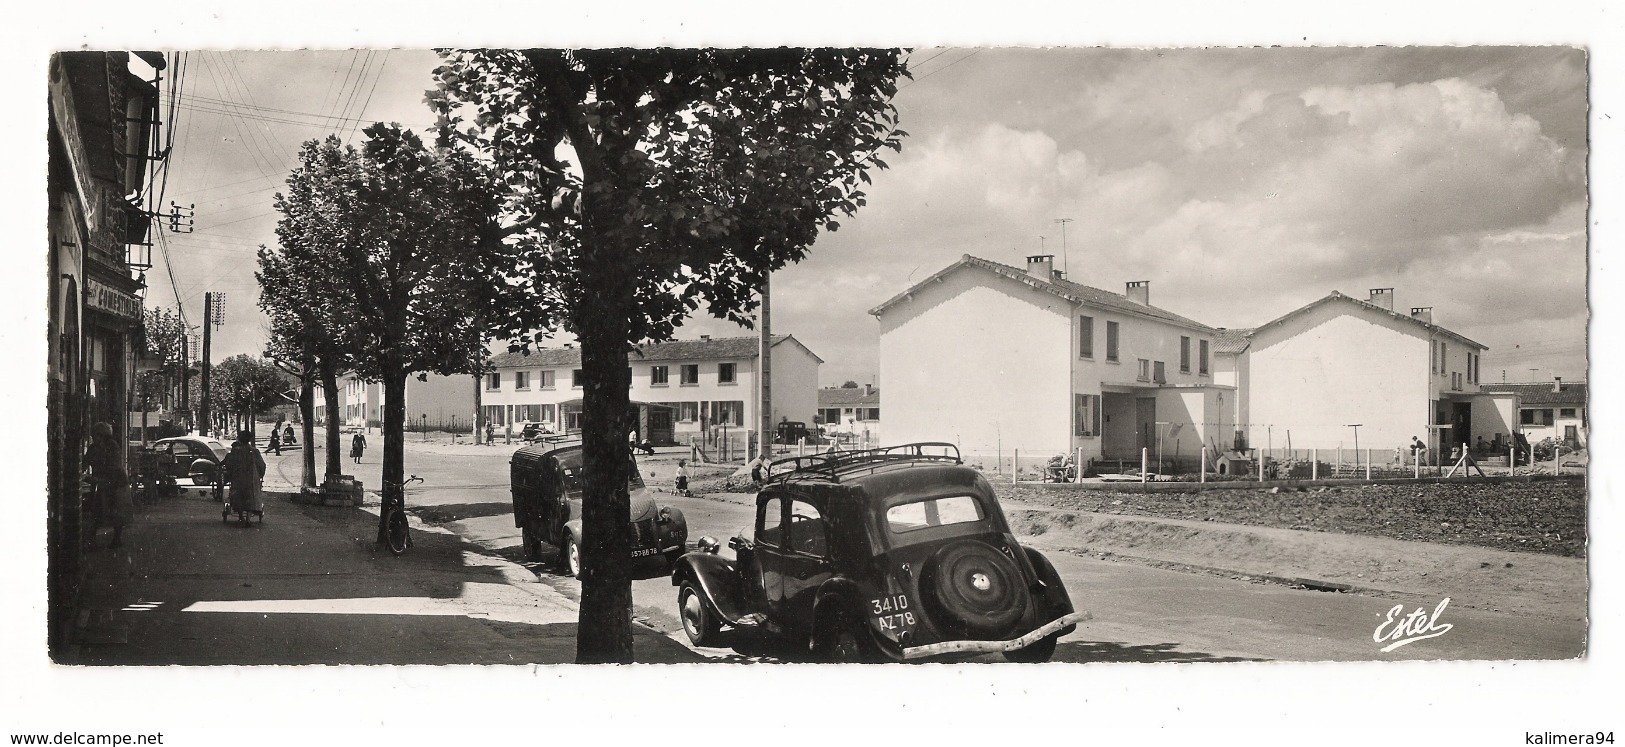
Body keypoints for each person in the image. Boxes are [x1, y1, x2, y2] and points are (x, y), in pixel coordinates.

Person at [84, 422, 133, 549]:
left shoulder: (112, 447)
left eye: (97, 436)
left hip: (117, 484)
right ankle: (92, 541)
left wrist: (97, 478)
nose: (94, 439)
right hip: (104, 484)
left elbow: (113, 467)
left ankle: (116, 539)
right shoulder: (93, 448)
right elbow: (85, 462)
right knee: (98, 511)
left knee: (117, 512)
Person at [221, 429, 267, 517]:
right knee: (251, 496)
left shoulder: (236, 451)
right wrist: (260, 475)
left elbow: (229, 463)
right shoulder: (255, 451)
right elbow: (262, 465)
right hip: (252, 479)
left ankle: (241, 515)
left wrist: (230, 473)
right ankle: (248, 517)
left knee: (239, 496)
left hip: (238, 478)